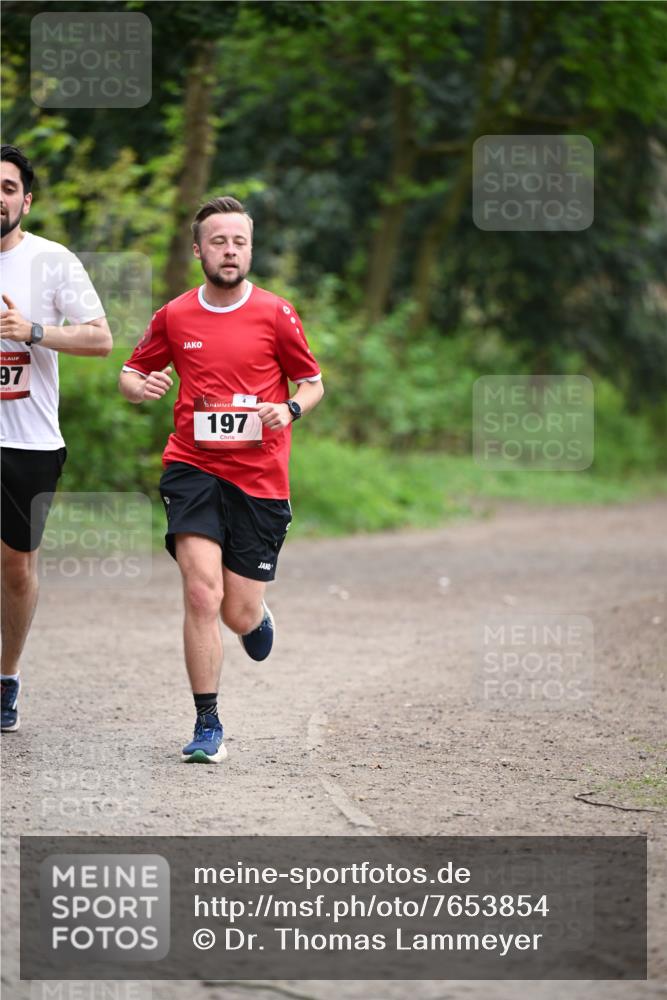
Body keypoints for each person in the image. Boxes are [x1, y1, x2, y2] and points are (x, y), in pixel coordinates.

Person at [119, 195, 323, 763]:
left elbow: (312, 382)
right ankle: (207, 723)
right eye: (218, 241)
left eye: (238, 242)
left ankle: (255, 612)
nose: (229, 251)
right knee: (200, 591)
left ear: (250, 249)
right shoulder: (175, 315)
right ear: (198, 250)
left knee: (236, 612)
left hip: (259, 479)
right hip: (192, 467)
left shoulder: (276, 313)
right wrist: (141, 387)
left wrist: (291, 409)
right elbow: (131, 372)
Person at [0, 145, 112, 733]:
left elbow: (100, 340)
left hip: (29, 442)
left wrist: (34, 331)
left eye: (7, 186)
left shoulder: (53, 261)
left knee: (16, 567)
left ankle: (7, 676)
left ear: (26, 199)